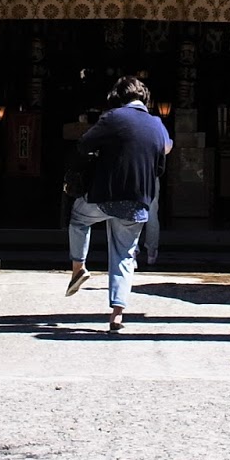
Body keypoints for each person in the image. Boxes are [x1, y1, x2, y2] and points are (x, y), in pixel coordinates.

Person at [66, 76, 172, 331]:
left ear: (118, 97)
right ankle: (117, 314)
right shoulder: (158, 125)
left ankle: (78, 266)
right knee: (124, 254)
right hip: (138, 201)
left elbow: (84, 144)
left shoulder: (113, 117)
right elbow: (160, 167)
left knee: (79, 219)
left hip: (106, 194)